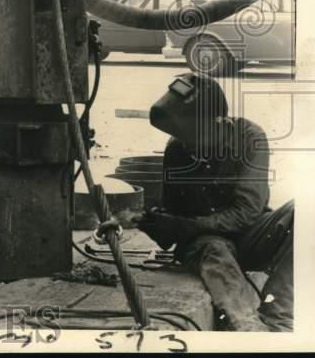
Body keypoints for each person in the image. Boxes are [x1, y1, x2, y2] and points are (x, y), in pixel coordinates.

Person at [100, 74, 293, 331]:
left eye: (192, 137)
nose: (186, 145)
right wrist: (152, 222)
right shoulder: (177, 148)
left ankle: (279, 318)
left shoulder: (249, 137)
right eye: (181, 137)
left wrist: (184, 226)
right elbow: (172, 212)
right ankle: (248, 328)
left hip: (249, 235)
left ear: (217, 121)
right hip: (207, 244)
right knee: (213, 248)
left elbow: (246, 212)